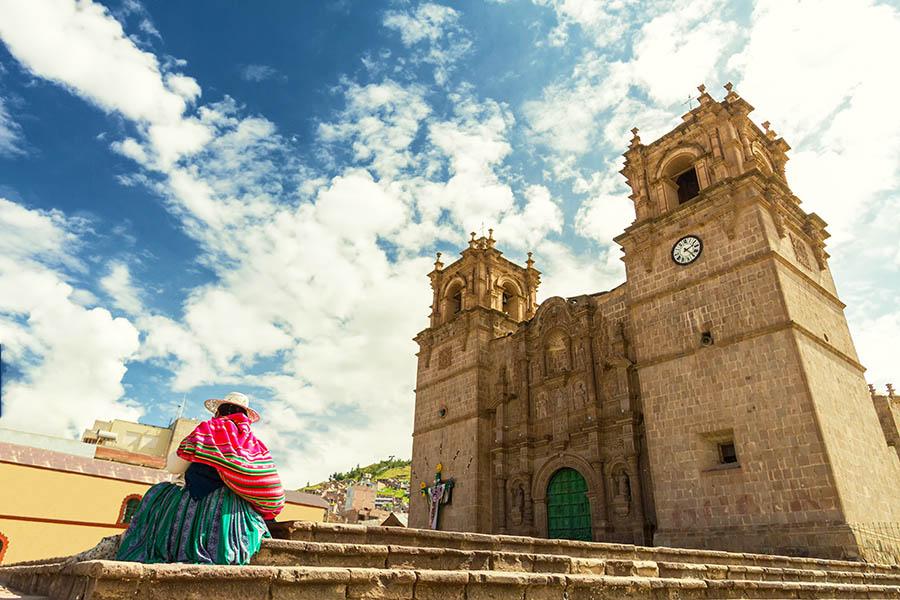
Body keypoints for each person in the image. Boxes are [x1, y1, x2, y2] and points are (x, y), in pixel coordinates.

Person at [116, 392, 285, 565]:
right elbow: (267, 487)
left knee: (158, 494)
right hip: (233, 508)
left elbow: (174, 467)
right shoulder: (253, 445)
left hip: (194, 496)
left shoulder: (207, 430)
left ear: (218, 412)